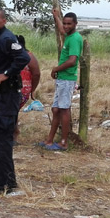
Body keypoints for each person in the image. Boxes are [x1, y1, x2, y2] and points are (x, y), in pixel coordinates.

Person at [0, 9, 30, 195]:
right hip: (1, 95)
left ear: (4, 20)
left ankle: (4, 183)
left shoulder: (6, 38)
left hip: (8, 95)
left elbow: (23, 58)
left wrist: (6, 75)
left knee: (2, 137)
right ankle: (2, 177)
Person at [38, 12, 83, 151]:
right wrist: (56, 17)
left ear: (76, 24)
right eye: (65, 23)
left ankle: (64, 142)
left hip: (67, 79)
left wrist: (55, 69)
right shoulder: (69, 36)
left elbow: (72, 60)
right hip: (62, 79)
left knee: (64, 109)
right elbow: (62, 30)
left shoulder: (75, 39)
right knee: (56, 109)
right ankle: (49, 140)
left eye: (69, 23)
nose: (66, 26)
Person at [14, 35, 41, 143]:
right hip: (18, 88)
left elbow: (37, 73)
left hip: (21, 89)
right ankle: (13, 133)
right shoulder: (13, 55)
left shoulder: (27, 56)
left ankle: (14, 134)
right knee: (12, 112)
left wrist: (32, 90)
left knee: (12, 111)